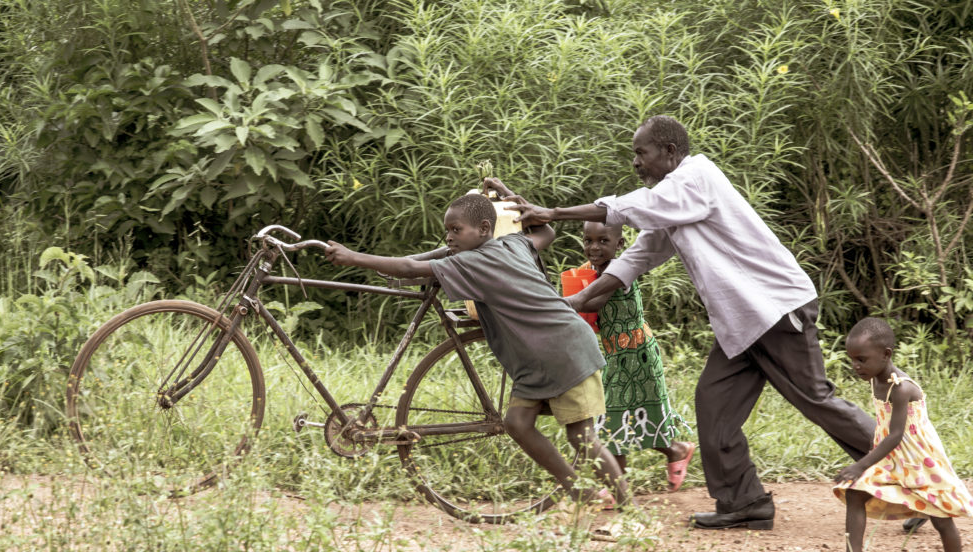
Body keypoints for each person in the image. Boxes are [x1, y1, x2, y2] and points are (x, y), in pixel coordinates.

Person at [494, 114, 876, 530]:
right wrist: (580, 298)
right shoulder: (674, 199)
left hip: (776, 310)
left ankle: (918, 472)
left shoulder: (696, 178)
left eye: (642, 153)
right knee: (714, 407)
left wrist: (552, 211)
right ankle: (744, 502)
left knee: (817, 401)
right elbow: (641, 254)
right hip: (743, 324)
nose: (636, 162)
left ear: (670, 152)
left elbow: (634, 208)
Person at [324, 191, 630, 520]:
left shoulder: (475, 262)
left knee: (582, 436)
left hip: (565, 351)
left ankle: (629, 507)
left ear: (484, 228)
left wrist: (353, 257)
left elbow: (411, 267)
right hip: (540, 357)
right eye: (448, 231)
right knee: (517, 422)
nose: (449, 237)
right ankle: (577, 490)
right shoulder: (512, 244)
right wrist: (520, 204)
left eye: (456, 230)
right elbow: (546, 232)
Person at [810, 318, 972, 552]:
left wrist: (861, 464)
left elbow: (895, 435)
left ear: (886, 354)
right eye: (852, 360)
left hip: (921, 462)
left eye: (862, 359)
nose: (856, 366)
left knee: (942, 519)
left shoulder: (902, 388)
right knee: (856, 492)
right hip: (896, 460)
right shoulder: (876, 378)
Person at [576, 218, 695, 491]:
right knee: (635, 415)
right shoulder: (594, 270)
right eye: (588, 241)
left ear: (620, 244)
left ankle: (617, 488)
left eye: (603, 241)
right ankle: (676, 450)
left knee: (612, 419)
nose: (594, 247)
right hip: (619, 355)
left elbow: (594, 301)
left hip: (636, 355)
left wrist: (569, 301)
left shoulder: (618, 271)